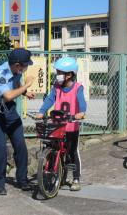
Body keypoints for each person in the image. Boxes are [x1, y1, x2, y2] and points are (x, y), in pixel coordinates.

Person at [0, 48, 35, 195]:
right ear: (18, 65)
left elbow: (15, 85)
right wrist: (27, 85)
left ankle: (22, 180)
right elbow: (8, 95)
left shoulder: (16, 71)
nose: (26, 68)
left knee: (20, 144)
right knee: (0, 146)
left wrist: (25, 92)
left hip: (9, 110)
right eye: (25, 65)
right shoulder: (0, 74)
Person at [36, 57, 87, 191]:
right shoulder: (56, 87)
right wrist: (42, 111)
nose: (57, 75)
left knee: (72, 152)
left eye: (60, 72)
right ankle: (59, 174)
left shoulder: (78, 88)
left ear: (69, 74)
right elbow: (49, 99)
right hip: (57, 126)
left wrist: (81, 112)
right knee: (54, 148)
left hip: (71, 127)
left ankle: (76, 178)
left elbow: (82, 102)